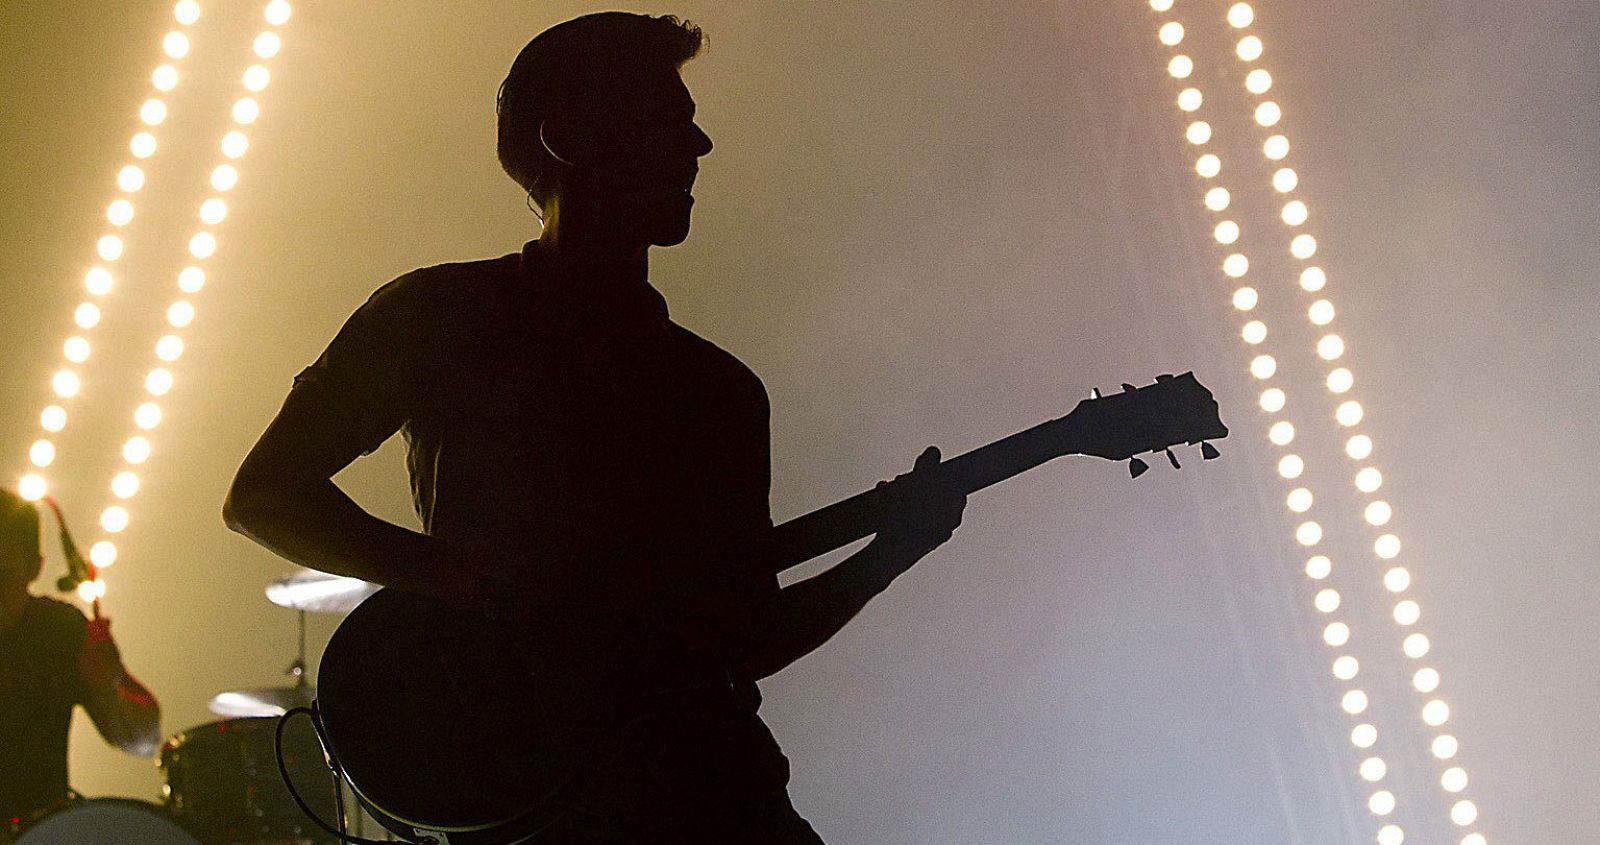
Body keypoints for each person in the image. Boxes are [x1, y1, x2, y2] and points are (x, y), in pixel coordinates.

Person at [223, 12, 965, 843]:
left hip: (708, 795)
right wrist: (443, 571)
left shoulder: (719, 391)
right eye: (669, 123)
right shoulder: (440, 316)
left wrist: (890, 552)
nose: (700, 148)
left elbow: (744, 638)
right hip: (546, 811)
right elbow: (264, 494)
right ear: (571, 139)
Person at [0, 490, 161, 826]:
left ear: (34, 568)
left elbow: (143, 740)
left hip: (40, 830)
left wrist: (107, 685)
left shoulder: (62, 630)